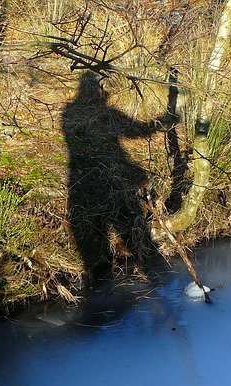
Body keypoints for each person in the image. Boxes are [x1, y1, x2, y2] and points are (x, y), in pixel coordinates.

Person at [62, 72, 162, 286]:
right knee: (114, 222)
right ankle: (122, 268)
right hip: (101, 179)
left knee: (96, 229)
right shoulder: (100, 114)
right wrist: (159, 125)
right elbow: (135, 131)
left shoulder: (70, 113)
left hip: (85, 179)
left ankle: (102, 273)